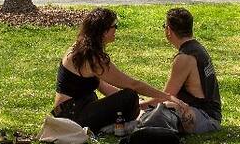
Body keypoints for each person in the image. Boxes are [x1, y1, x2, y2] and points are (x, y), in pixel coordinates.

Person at [51, 7, 180, 132]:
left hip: (69, 111)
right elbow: (133, 84)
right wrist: (167, 97)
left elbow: (102, 85)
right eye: (115, 26)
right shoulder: (93, 57)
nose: (116, 30)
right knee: (129, 96)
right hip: (71, 117)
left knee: (127, 97)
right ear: (104, 31)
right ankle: (116, 126)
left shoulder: (82, 48)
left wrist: (140, 103)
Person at [140, 8, 221, 134]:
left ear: (168, 30)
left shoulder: (185, 57)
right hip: (210, 114)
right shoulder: (197, 48)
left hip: (204, 117)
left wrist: (140, 106)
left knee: (156, 113)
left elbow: (166, 96)